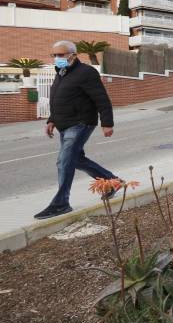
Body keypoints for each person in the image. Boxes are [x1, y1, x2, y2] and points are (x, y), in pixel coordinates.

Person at [35, 40, 119, 220]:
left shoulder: (86, 72)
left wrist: (107, 123)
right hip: (64, 125)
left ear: (73, 55)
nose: (57, 58)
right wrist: (51, 120)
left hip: (81, 123)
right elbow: (59, 99)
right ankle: (112, 182)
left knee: (64, 161)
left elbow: (101, 99)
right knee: (77, 160)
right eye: (54, 55)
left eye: (61, 55)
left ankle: (61, 203)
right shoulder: (62, 73)